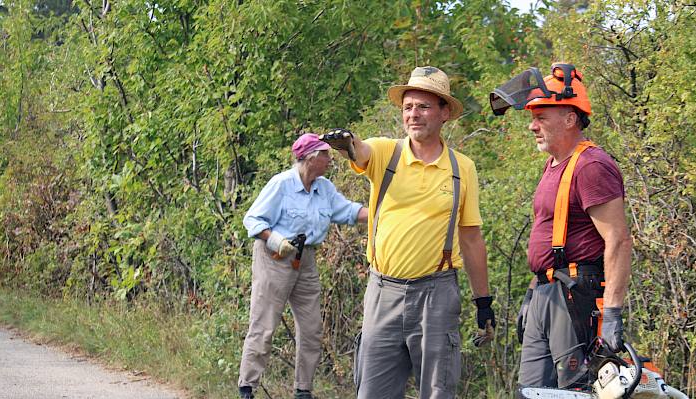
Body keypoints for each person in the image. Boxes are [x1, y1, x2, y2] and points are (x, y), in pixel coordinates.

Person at [321, 66, 496, 399]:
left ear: (445, 113)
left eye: (424, 107)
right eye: (408, 107)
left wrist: (483, 301)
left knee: (437, 391)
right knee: (372, 391)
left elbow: (471, 239)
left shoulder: (463, 168)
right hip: (383, 290)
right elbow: (361, 150)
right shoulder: (388, 153)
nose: (414, 114)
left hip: (437, 294)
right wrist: (347, 144)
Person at [491, 63, 632, 389]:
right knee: (533, 391)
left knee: (575, 390)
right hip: (547, 292)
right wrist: (533, 293)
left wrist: (612, 312)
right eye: (532, 117)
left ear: (570, 118)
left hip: (574, 294)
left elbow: (619, 240)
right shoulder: (553, 165)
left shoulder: (592, 165)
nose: (532, 126)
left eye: (541, 117)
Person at [237, 133, 369, 399]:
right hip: (274, 258)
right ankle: (247, 387)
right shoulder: (281, 184)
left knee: (311, 329)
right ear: (311, 158)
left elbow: (349, 211)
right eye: (325, 155)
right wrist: (276, 240)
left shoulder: (324, 188)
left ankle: (303, 390)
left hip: (305, 259)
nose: (330, 160)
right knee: (264, 324)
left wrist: (384, 211)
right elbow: (252, 220)